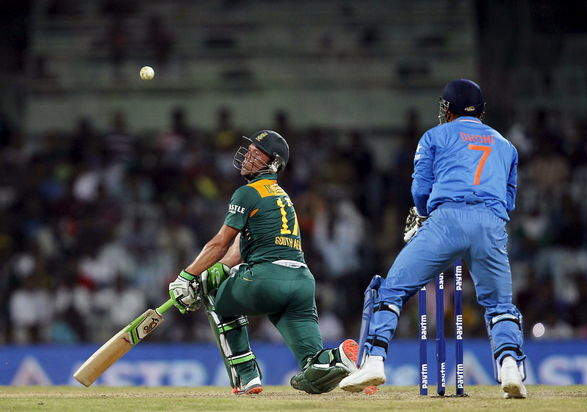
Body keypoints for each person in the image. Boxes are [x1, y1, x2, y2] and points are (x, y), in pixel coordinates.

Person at [339, 79, 528, 399]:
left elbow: (420, 189)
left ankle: (373, 361)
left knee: (392, 289)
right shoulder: (507, 146)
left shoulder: (435, 136)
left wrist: (425, 215)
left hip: (446, 220)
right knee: (499, 305)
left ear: (449, 108)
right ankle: (510, 368)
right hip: (490, 224)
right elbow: (509, 202)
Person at [167, 130, 358, 395]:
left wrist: (187, 277)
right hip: (301, 284)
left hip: (267, 279)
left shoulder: (248, 193)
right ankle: (339, 358)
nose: (247, 157)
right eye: (249, 151)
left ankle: (247, 377)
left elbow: (221, 241)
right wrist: (219, 268)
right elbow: (239, 249)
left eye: (256, 154)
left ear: (273, 163)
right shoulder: (281, 195)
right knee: (312, 368)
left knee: (212, 294)